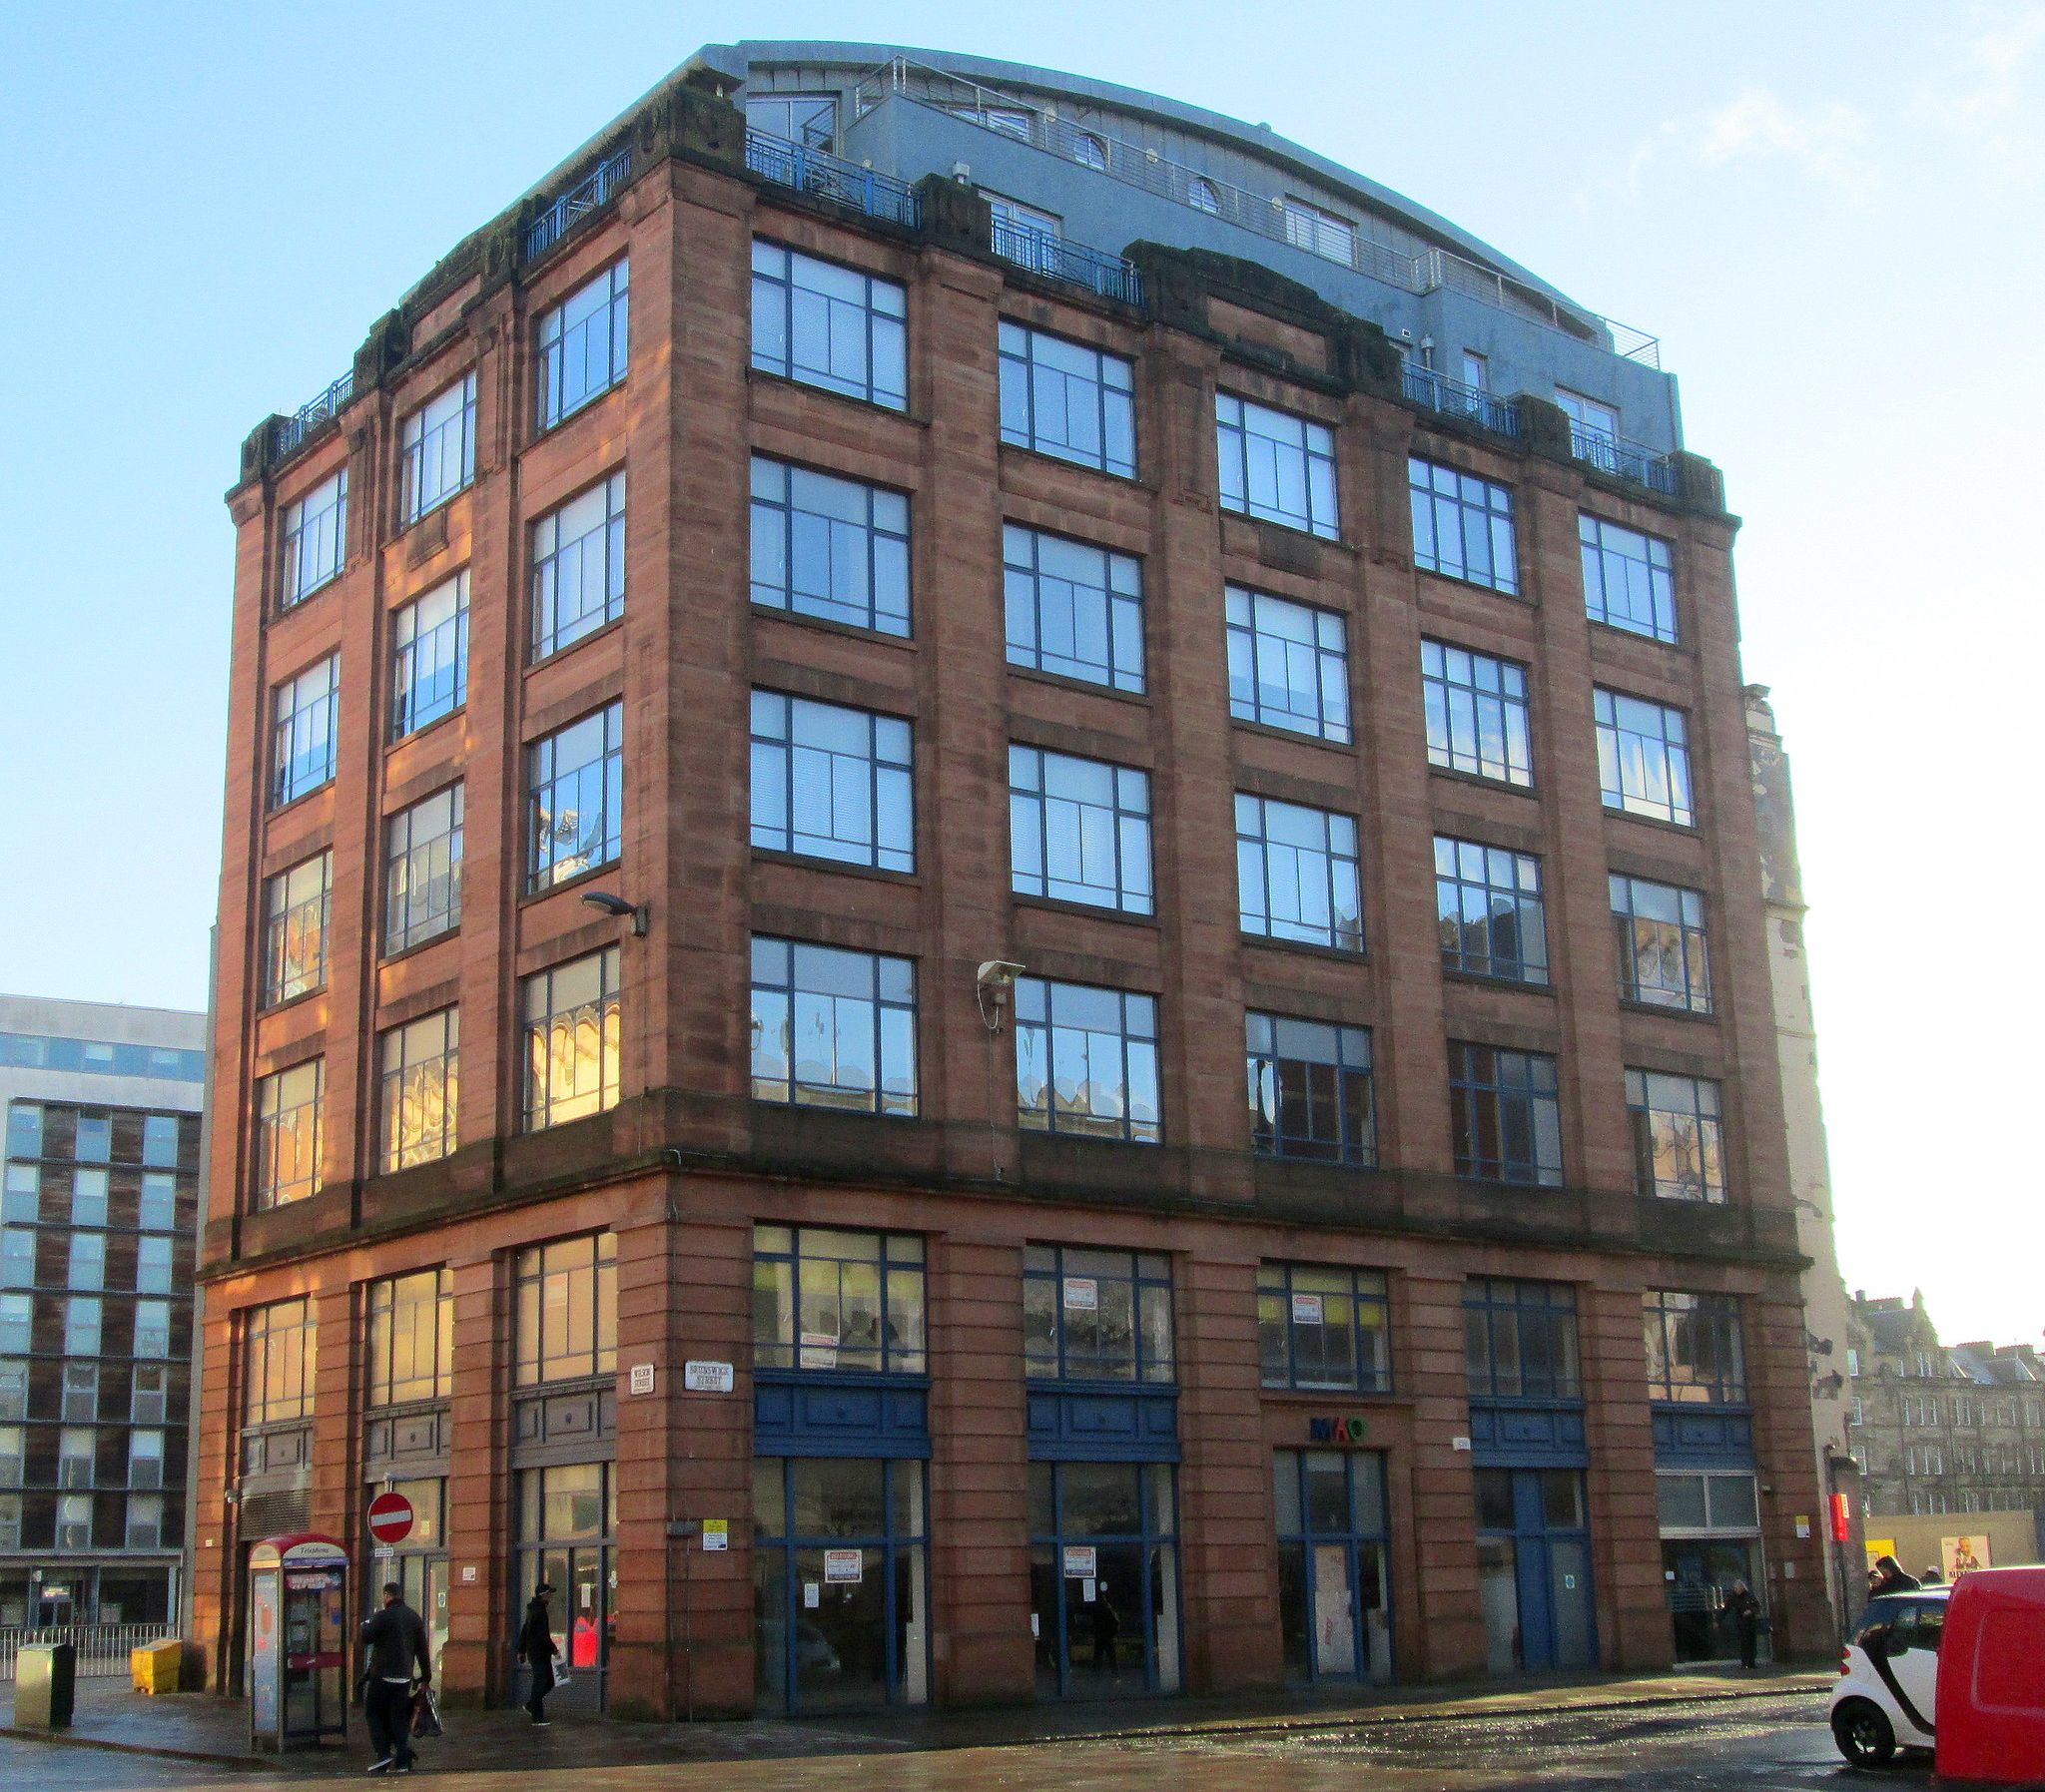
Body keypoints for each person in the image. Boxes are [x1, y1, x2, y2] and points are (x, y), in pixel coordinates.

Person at [358, 1580, 430, 1774]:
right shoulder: (414, 1618)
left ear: (387, 1596)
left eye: (384, 1597)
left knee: (373, 1712)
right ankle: (403, 1761)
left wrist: (364, 1626)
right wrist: (426, 1677)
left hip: (382, 1676)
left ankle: (383, 1754)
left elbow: (366, 1638)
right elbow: (422, 1650)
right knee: (398, 1717)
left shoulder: (383, 1617)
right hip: (404, 1678)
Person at [518, 1582, 561, 1726]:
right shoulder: (539, 1611)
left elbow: (525, 1630)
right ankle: (537, 1717)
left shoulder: (534, 1609)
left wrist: (521, 1650)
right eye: (549, 1594)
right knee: (541, 1682)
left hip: (536, 1652)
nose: (551, 1596)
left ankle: (531, 1705)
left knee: (548, 1681)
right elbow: (543, 1635)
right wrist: (554, 1650)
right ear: (544, 1596)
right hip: (539, 1653)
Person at [1725, 1578, 1762, 1669]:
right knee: (1743, 1643)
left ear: (1742, 1588)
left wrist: (1751, 1611)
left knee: (1751, 1643)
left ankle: (1751, 1662)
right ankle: (1744, 1662)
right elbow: (1726, 1608)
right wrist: (1718, 1619)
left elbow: (1758, 1607)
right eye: (1734, 1588)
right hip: (1741, 1623)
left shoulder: (1749, 1596)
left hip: (1751, 1622)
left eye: (1737, 1588)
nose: (1735, 1590)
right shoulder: (1733, 1597)